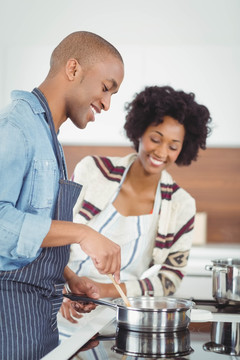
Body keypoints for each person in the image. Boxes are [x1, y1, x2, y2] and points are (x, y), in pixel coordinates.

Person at [0, 31, 124, 359]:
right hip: (9, 311)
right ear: (73, 69)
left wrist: (67, 276)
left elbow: (31, 227)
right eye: (106, 88)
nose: (107, 104)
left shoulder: (48, 136)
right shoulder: (16, 126)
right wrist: (83, 234)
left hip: (38, 313)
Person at [60, 85, 212, 323]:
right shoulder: (93, 171)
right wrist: (64, 282)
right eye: (155, 139)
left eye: (173, 146)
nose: (161, 152)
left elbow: (169, 279)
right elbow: (55, 231)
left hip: (120, 317)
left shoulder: (181, 205)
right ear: (140, 131)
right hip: (61, 305)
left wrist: (103, 291)